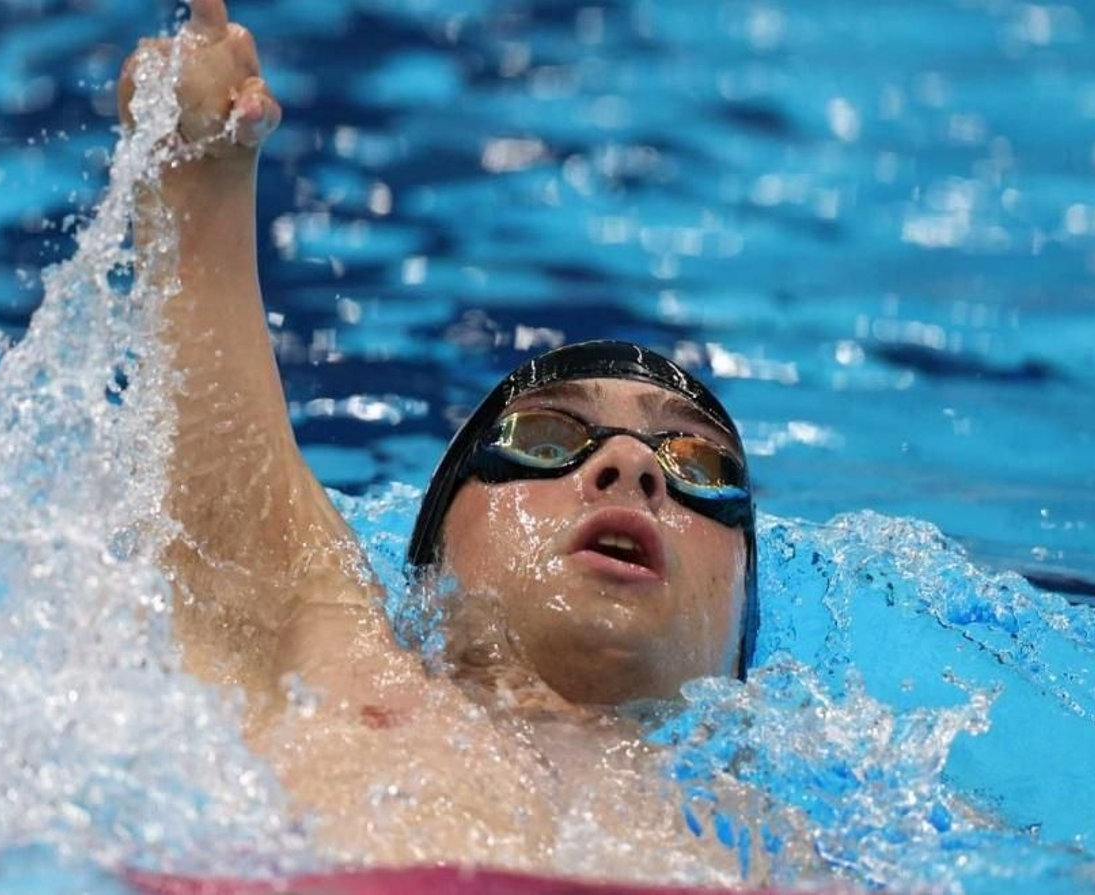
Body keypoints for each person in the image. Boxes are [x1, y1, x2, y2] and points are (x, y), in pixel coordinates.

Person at [118, 0, 774, 878]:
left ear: (743, 633)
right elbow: (221, 483)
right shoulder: (341, 665)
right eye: (547, 437)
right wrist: (198, 168)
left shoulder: (789, 841)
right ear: (429, 568)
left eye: (697, 465)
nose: (631, 467)